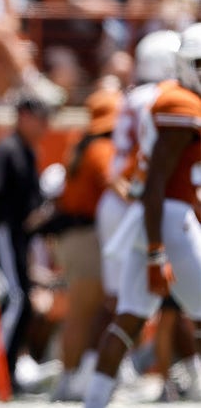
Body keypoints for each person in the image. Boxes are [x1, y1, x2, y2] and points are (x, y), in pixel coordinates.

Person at [84, 23, 201, 408]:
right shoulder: (181, 103)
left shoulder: (164, 97)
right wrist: (155, 251)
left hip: (149, 215)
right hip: (167, 217)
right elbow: (157, 184)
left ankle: (95, 401)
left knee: (129, 318)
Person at [48, 88, 119, 402]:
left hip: (78, 235)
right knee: (81, 313)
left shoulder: (82, 142)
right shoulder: (102, 147)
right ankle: (68, 379)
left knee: (87, 313)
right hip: (87, 236)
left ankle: (75, 376)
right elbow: (113, 183)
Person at [0, 94, 51, 388]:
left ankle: (4, 366)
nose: (45, 125)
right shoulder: (6, 148)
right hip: (7, 232)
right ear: (24, 115)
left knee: (22, 301)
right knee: (17, 299)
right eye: (41, 117)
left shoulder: (28, 151)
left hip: (21, 236)